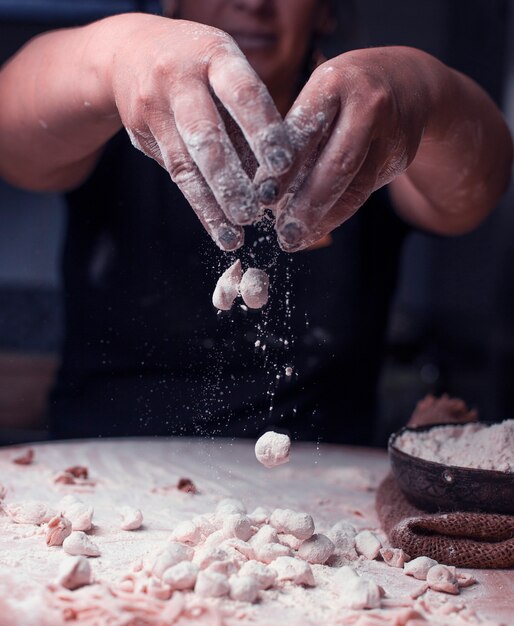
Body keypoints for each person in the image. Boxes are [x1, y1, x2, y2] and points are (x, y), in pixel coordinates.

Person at [0, 1, 511, 444]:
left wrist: (420, 89)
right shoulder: (106, 113)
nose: (253, 1)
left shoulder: (370, 124)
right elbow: (12, 137)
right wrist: (116, 53)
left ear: (325, 9)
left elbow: (476, 191)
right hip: (100, 481)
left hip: (320, 501)